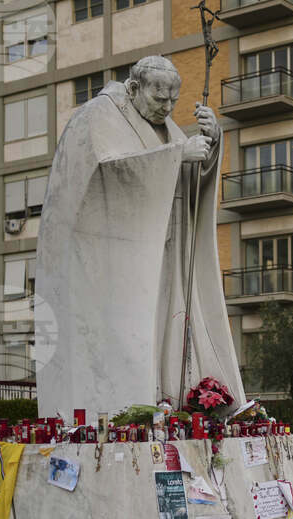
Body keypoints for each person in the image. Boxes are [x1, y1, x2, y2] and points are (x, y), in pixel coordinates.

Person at [36, 55, 245, 419]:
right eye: (158, 98)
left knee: (171, 333)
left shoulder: (165, 128)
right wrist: (178, 154)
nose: (166, 108)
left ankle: (172, 402)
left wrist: (211, 145)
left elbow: (187, 189)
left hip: (163, 257)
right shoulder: (96, 115)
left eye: (172, 101)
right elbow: (104, 174)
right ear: (133, 89)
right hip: (117, 266)